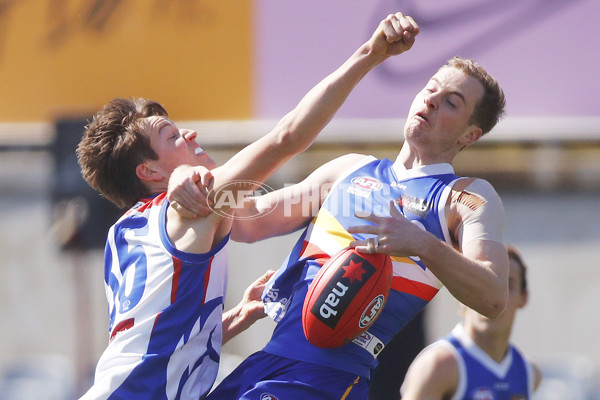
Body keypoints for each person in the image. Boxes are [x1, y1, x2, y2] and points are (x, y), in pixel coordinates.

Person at [75, 9, 418, 399]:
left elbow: (156, 338)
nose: (189, 133)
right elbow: (286, 137)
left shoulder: (124, 232)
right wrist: (370, 55)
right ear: (149, 172)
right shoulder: (196, 204)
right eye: (171, 136)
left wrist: (235, 317)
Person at [169, 10, 506, 400]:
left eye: (451, 101)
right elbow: (247, 222)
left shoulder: (465, 198)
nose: (430, 101)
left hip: (324, 381)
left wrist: (421, 243)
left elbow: (494, 296)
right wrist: (190, 175)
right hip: (264, 363)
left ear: (471, 133)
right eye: (429, 88)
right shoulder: (349, 170)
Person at [400, 246, 542, 399]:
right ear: (460, 295)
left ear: (524, 297)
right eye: (480, 285)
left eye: (507, 286)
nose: (492, 299)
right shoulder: (437, 366)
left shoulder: (529, 373)